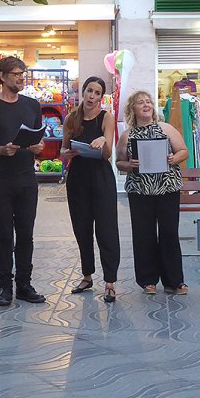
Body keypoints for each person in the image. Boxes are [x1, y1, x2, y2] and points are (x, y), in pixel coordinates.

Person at [0, 56, 46, 307]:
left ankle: (24, 285)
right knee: (4, 234)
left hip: (27, 178)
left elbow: (39, 139)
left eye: (23, 73)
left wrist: (38, 147)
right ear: (2, 76)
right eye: (16, 73)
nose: (21, 77)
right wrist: (1, 150)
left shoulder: (32, 105)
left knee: (26, 234)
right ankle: (5, 286)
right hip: (0, 179)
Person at [115, 90, 189, 295]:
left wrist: (174, 159)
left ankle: (174, 281)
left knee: (169, 233)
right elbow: (118, 162)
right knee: (143, 235)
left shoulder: (166, 128)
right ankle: (148, 280)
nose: (146, 105)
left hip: (167, 189)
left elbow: (184, 151)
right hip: (140, 190)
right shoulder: (127, 135)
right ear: (133, 109)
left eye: (149, 102)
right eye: (141, 103)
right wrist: (129, 165)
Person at [61, 76, 120, 303]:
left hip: (101, 176)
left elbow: (107, 155)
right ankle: (87, 275)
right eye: (89, 91)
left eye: (96, 93)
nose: (91, 96)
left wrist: (101, 143)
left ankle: (110, 281)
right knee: (81, 228)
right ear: (83, 92)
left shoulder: (107, 118)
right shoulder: (71, 118)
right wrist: (67, 154)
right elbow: (64, 151)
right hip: (78, 178)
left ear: (101, 97)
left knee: (106, 229)